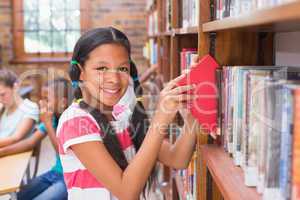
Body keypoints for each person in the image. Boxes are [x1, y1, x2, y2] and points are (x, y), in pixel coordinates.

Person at [57, 27, 201, 199]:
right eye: (102, 68)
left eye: (122, 69)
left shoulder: (125, 116)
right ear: (81, 72)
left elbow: (177, 159)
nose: (114, 79)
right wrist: (160, 118)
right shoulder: (75, 121)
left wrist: (194, 113)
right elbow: (126, 192)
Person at [0, 78, 71, 200]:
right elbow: (30, 142)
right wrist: (2, 152)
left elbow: (62, 152)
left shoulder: (70, 121)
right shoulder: (53, 118)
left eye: (46, 99)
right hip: (55, 173)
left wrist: (48, 124)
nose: (41, 103)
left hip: (69, 178)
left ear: (63, 103)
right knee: (17, 197)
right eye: (41, 98)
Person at [0, 68, 39, 148]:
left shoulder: (30, 108)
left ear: (15, 87)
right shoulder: (3, 108)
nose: (0, 100)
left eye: (3, 94)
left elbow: (16, 138)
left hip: (14, 156)